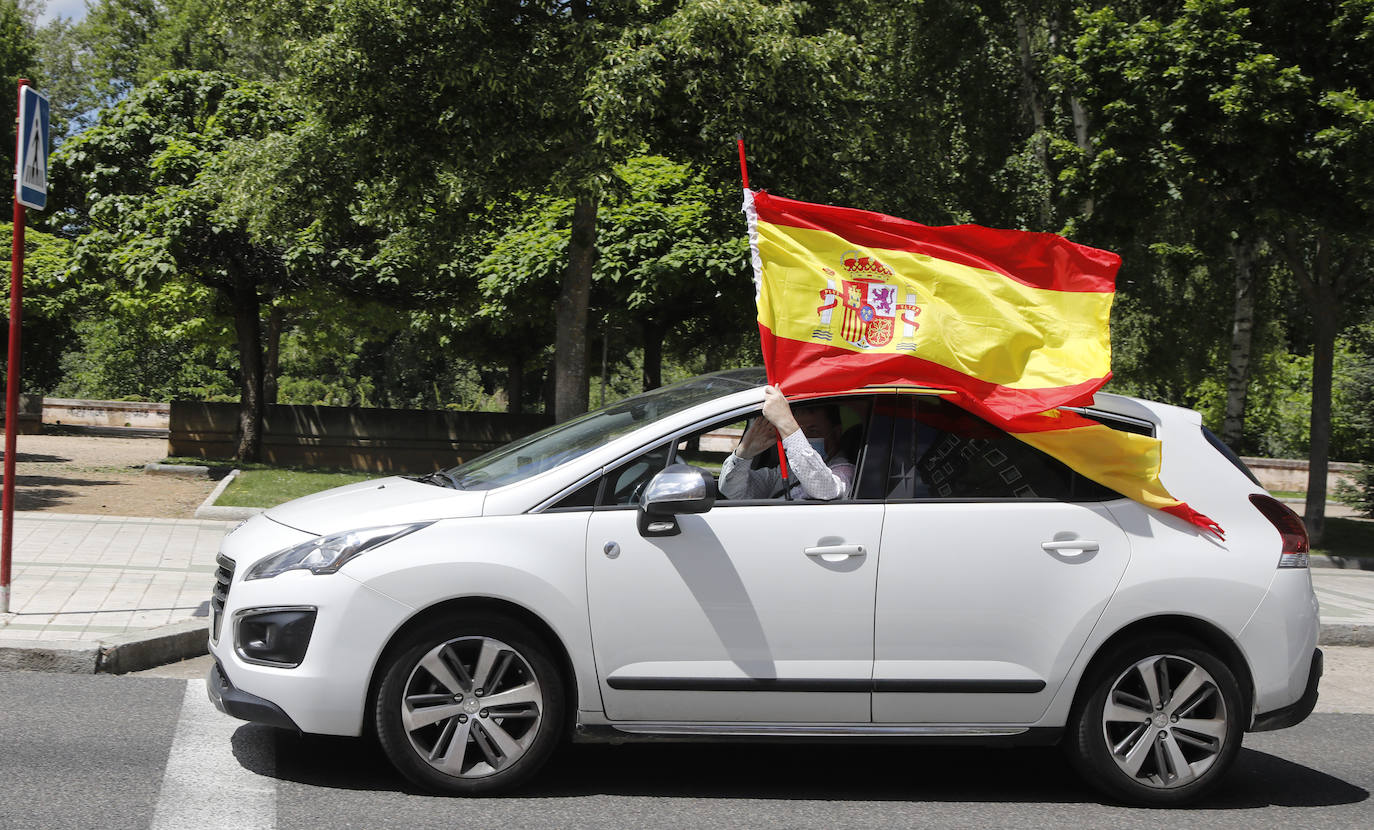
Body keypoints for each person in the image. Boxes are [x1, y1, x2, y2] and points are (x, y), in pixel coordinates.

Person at [718, 386, 855, 500]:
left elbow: (824, 489)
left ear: (836, 433)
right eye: (799, 431)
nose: (805, 438)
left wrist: (787, 425)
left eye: (813, 430)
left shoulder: (844, 471)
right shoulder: (788, 471)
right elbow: (733, 491)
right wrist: (744, 453)